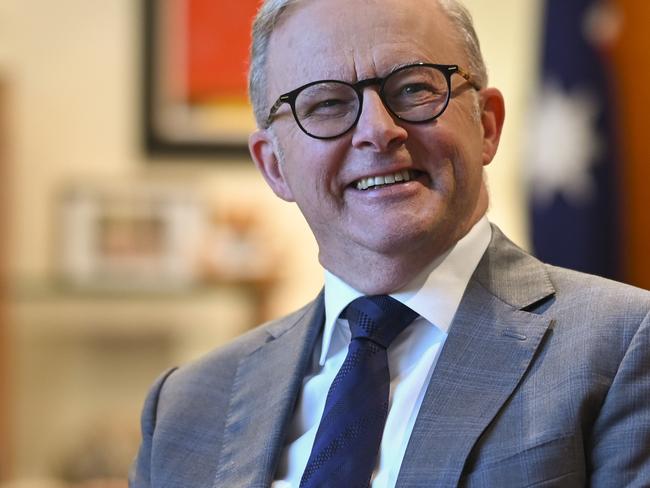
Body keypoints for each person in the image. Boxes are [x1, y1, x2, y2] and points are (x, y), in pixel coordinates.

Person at [130, 0, 650, 486]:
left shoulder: (623, 346)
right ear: (274, 165)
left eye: (414, 89)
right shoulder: (183, 409)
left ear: (487, 125)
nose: (378, 131)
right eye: (328, 103)